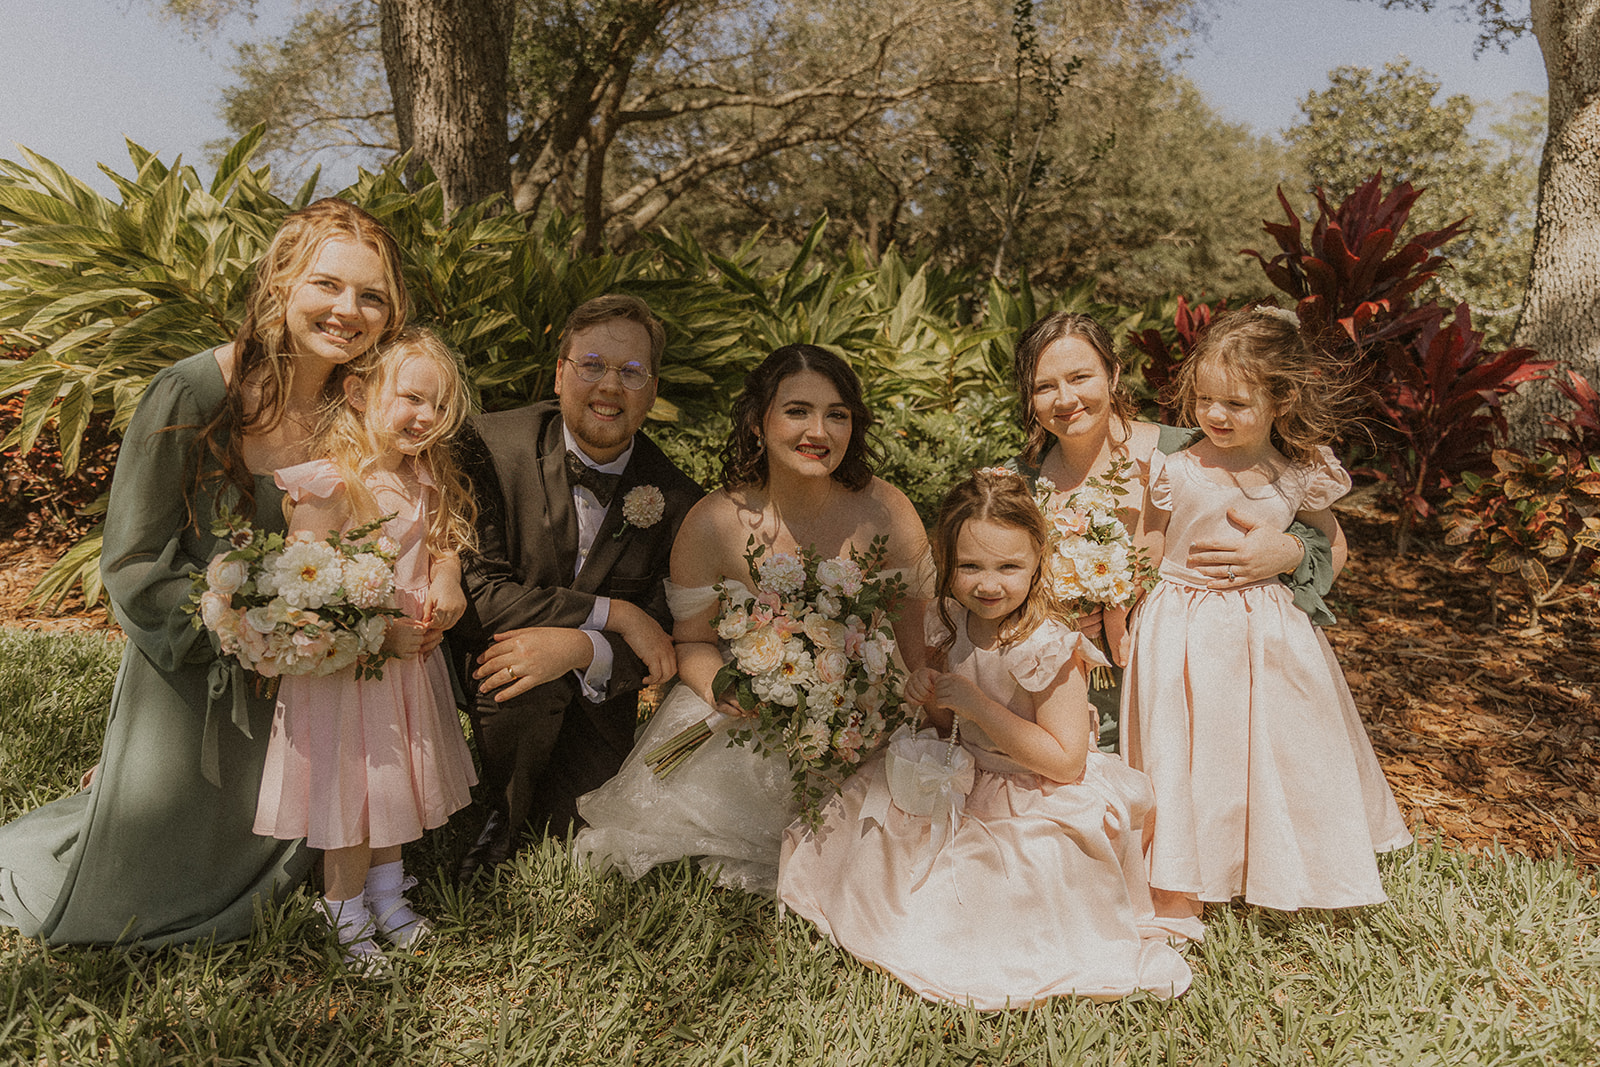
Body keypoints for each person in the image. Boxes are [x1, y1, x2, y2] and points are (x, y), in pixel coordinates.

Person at [0, 198, 409, 946]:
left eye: (371, 296)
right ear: (280, 282)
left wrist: (343, 617)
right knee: (137, 900)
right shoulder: (191, 393)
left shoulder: (363, 409)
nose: (348, 310)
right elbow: (132, 561)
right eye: (327, 284)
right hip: (195, 667)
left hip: (314, 676)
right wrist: (243, 626)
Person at [778, 469, 1194, 1008]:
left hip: (1035, 790)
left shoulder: (1049, 646)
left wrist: (978, 705)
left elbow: (1065, 762)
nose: (988, 584)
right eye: (969, 566)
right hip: (966, 768)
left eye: (1008, 567)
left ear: (1038, 560)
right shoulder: (950, 620)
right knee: (880, 833)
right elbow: (948, 726)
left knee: (1009, 880)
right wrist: (930, 694)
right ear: (945, 563)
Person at [571, 344, 933, 894]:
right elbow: (693, 641)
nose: (819, 432)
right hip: (749, 717)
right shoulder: (714, 522)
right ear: (758, 423)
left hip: (864, 711)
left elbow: (918, 636)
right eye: (797, 411)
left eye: (837, 415)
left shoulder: (886, 512)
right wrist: (723, 686)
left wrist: (924, 712)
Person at [1122, 307, 1411, 913]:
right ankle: (1189, 867)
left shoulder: (1297, 475)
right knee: (1194, 746)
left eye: (1236, 403)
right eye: (1204, 399)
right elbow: (1148, 544)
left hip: (1266, 632)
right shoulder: (1176, 468)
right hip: (1181, 625)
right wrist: (1126, 613)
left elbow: (1333, 547)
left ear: (1282, 400)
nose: (1215, 415)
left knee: (1270, 746)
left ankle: (1274, 861)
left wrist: (1289, 560)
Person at [450, 295, 703, 881]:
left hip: (597, 689)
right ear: (560, 373)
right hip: (492, 659)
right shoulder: (489, 446)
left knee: (577, 826)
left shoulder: (678, 499)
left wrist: (581, 646)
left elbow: (662, 633)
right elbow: (480, 592)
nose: (610, 386)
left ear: (652, 391)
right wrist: (614, 614)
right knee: (520, 675)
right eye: (592, 365)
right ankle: (499, 821)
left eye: (631, 372)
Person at [1007, 311, 1343, 751]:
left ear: (1113, 374)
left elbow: (1319, 533)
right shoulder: (1014, 486)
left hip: (1199, 685)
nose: (1065, 398)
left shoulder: (1194, 450)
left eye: (1080, 377)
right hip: (1064, 708)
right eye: (1044, 386)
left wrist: (1290, 552)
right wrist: (1045, 610)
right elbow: (978, 589)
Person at [253, 328, 479, 972]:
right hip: (347, 670)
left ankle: (386, 894)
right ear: (357, 394)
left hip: (407, 668)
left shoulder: (423, 477)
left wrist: (446, 578)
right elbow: (305, 591)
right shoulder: (331, 484)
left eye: (440, 405)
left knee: (393, 785)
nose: (427, 417)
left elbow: (442, 543)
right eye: (412, 398)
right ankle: (343, 910)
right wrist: (378, 633)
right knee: (355, 795)